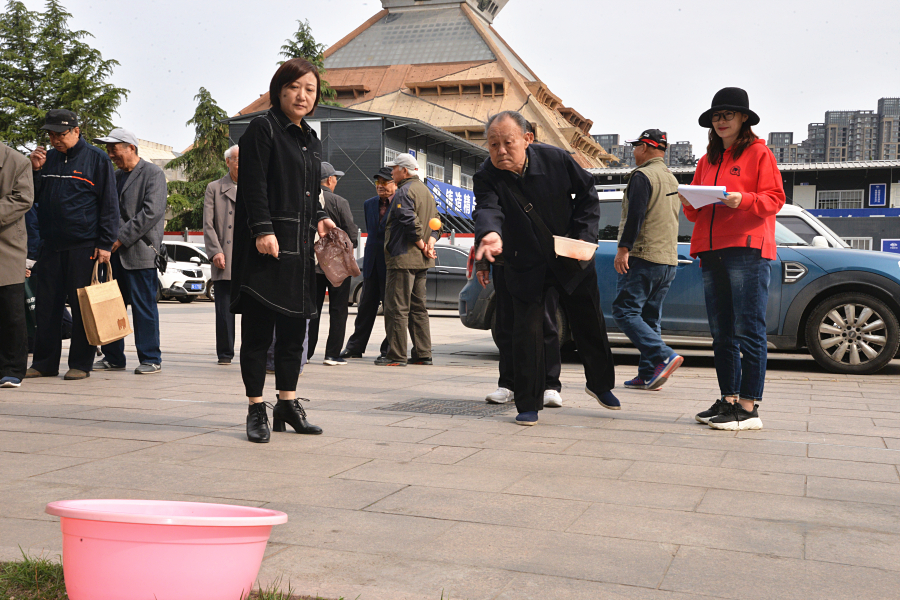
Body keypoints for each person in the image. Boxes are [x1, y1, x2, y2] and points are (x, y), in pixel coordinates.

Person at [473, 110, 618, 426]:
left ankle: (600, 384)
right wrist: (491, 234)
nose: (500, 151)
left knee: (589, 322)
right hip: (524, 261)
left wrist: (584, 237)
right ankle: (528, 403)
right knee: (527, 332)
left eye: (508, 142)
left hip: (570, 254)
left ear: (527, 139)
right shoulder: (486, 175)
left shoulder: (556, 159)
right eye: (493, 144)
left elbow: (588, 194)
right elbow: (486, 209)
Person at [231, 58, 337, 443]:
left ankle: (288, 404)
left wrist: (321, 216)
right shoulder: (262, 128)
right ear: (279, 90)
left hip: (300, 248)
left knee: (294, 332)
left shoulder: (310, 138)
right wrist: (262, 229)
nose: (302, 96)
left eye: (310, 90)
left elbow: (309, 191)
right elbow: (254, 185)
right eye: (294, 87)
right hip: (267, 248)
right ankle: (256, 407)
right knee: (258, 334)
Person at [683, 87, 785, 431]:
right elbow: (694, 213)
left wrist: (743, 199)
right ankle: (728, 400)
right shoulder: (706, 160)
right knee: (721, 332)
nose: (721, 121)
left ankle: (749, 407)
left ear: (743, 118)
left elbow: (775, 199)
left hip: (747, 248)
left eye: (728, 115)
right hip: (710, 250)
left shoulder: (759, 153)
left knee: (749, 329)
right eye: (716, 116)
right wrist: (690, 202)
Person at [26, 109, 118, 381]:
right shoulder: (48, 159)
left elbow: (109, 203)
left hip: (84, 246)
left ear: (77, 131)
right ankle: (44, 363)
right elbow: (34, 197)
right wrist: (35, 171)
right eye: (51, 135)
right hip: (50, 245)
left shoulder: (97, 159)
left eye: (61, 134)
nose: (56, 139)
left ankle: (80, 363)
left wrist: (105, 243)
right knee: (46, 307)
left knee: (82, 307)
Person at [91, 129, 166, 375]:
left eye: (114, 149)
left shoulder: (153, 173)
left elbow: (151, 212)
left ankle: (151, 358)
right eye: (108, 150)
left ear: (131, 148)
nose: (111, 155)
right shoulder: (114, 176)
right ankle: (113, 357)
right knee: (112, 307)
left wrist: (119, 238)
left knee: (144, 308)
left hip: (140, 254)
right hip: (113, 255)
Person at [612, 129, 683, 391]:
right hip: (668, 260)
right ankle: (648, 374)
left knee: (624, 311)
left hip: (644, 256)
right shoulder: (671, 179)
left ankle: (663, 355)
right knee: (650, 317)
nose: (633, 152)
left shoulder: (642, 176)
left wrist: (624, 249)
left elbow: (636, 215)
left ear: (645, 147)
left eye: (635, 146)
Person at [377, 153, 440, 367]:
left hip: (403, 258)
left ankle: (396, 355)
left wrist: (422, 245)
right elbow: (437, 222)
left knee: (397, 307)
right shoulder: (426, 191)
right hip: (422, 261)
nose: (391, 172)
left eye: (394, 168)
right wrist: (430, 243)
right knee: (418, 308)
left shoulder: (404, 191)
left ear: (404, 171)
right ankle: (423, 353)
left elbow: (409, 222)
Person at [476, 260, 563, 407]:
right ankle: (508, 384)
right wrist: (482, 264)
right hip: (504, 261)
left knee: (546, 322)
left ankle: (550, 385)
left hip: (544, 261)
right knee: (505, 324)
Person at [307, 161, 358, 365]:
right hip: (337, 267)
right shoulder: (339, 202)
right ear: (329, 180)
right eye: (335, 178)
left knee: (313, 310)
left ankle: (306, 352)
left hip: (313, 265)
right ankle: (332, 354)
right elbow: (351, 234)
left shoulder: (307, 200)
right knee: (338, 310)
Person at [341, 167, 395, 360]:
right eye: (378, 182)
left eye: (385, 182)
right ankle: (355, 347)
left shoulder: (401, 203)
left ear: (395, 184)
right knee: (365, 307)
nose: (380, 186)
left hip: (391, 264)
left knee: (391, 309)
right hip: (371, 263)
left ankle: (389, 348)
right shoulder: (369, 204)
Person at [0, 143, 35, 388]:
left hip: (6, 246)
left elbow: (23, 198)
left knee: (10, 310)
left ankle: (12, 368)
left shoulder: (17, 161)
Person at [203, 145, 239, 365]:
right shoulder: (214, 188)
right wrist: (216, 251)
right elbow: (208, 224)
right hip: (225, 255)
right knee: (224, 309)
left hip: (249, 256)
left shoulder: (256, 187)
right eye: (237, 159)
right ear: (227, 162)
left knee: (255, 309)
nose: (242, 163)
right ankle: (225, 352)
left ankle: (254, 352)